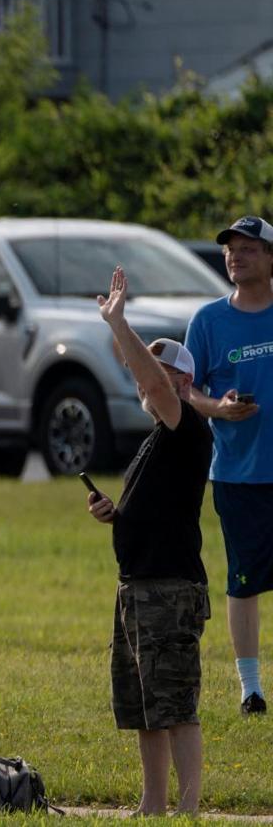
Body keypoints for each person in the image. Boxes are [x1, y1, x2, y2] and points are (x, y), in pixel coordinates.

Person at [87, 267, 212, 816]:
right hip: (138, 585)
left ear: (183, 384)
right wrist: (118, 515)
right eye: (142, 375)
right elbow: (155, 508)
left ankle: (187, 809)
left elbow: (158, 388)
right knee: (144, 705)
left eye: (156, 376)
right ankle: (153, 804)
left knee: (175, 704)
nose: (144, 382)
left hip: (169, 587)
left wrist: (119, 325)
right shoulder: (158, 438)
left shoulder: (187, 428)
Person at [186, 215, 273, 716]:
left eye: (249, 249)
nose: (236, 256)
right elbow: (186, 389)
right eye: (230, 250)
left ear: (269, 258)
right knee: (244, 580)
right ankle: (252, 690)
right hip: (238, 473)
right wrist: (219, 407)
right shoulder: (209, 321)